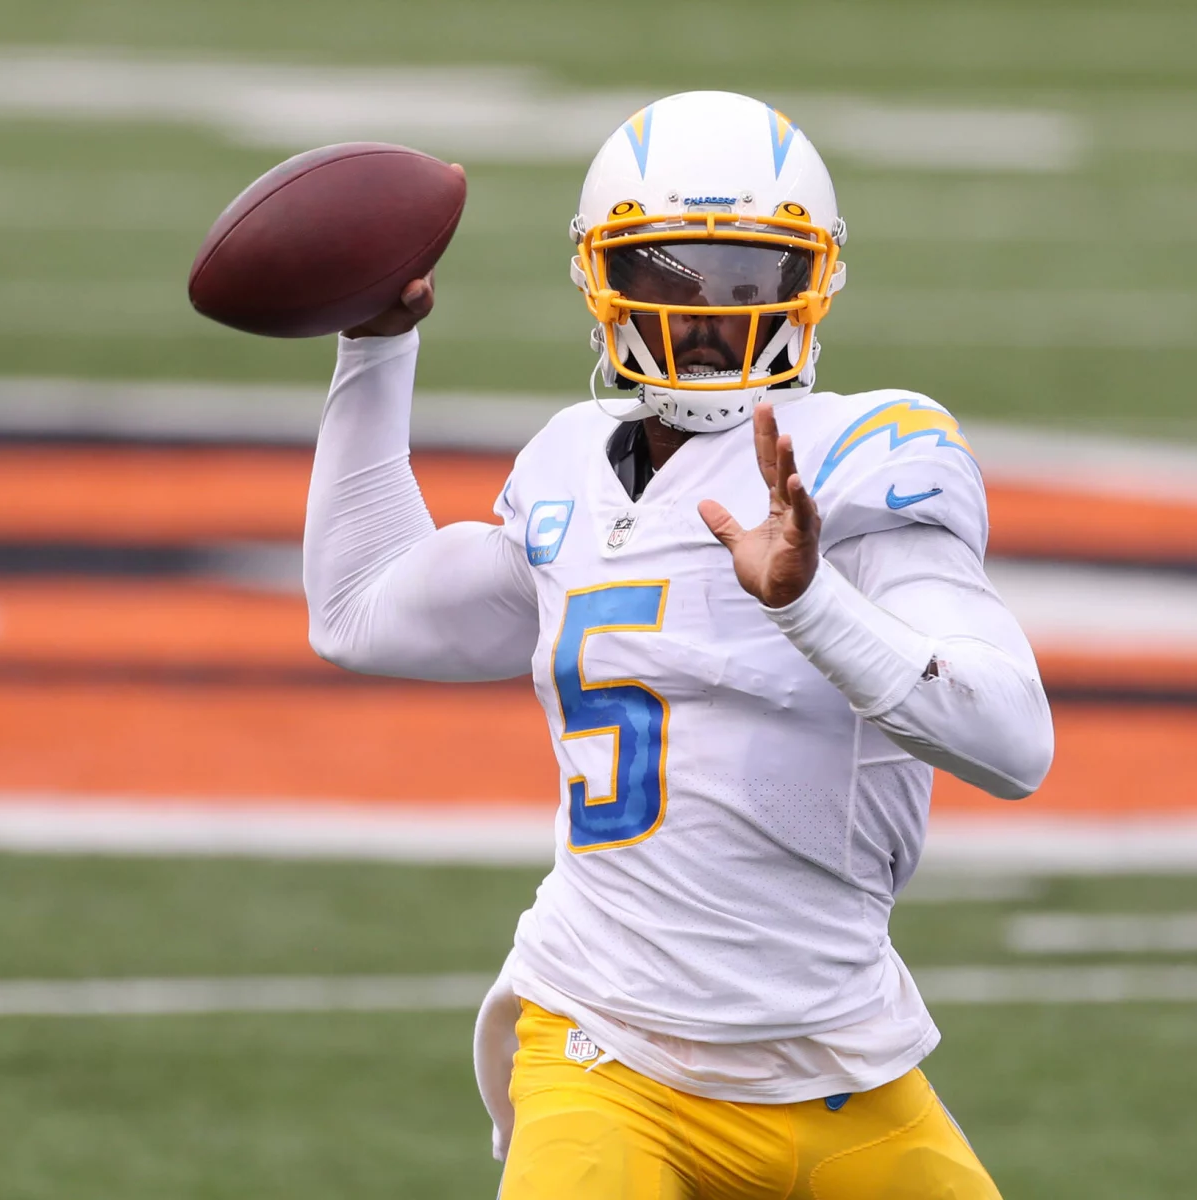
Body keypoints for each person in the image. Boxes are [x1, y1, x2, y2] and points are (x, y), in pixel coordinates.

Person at [304, 90, 1053, 1199]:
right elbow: (359, 605)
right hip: (603, 1042)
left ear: (813, 280)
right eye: (668, 275)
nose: (710, 319)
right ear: (606, 279)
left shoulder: (865, 452)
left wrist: (810, 602)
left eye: (750, 277)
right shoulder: (566, 464)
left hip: (838, 1058)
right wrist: (376, 343)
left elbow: (1013, 741)